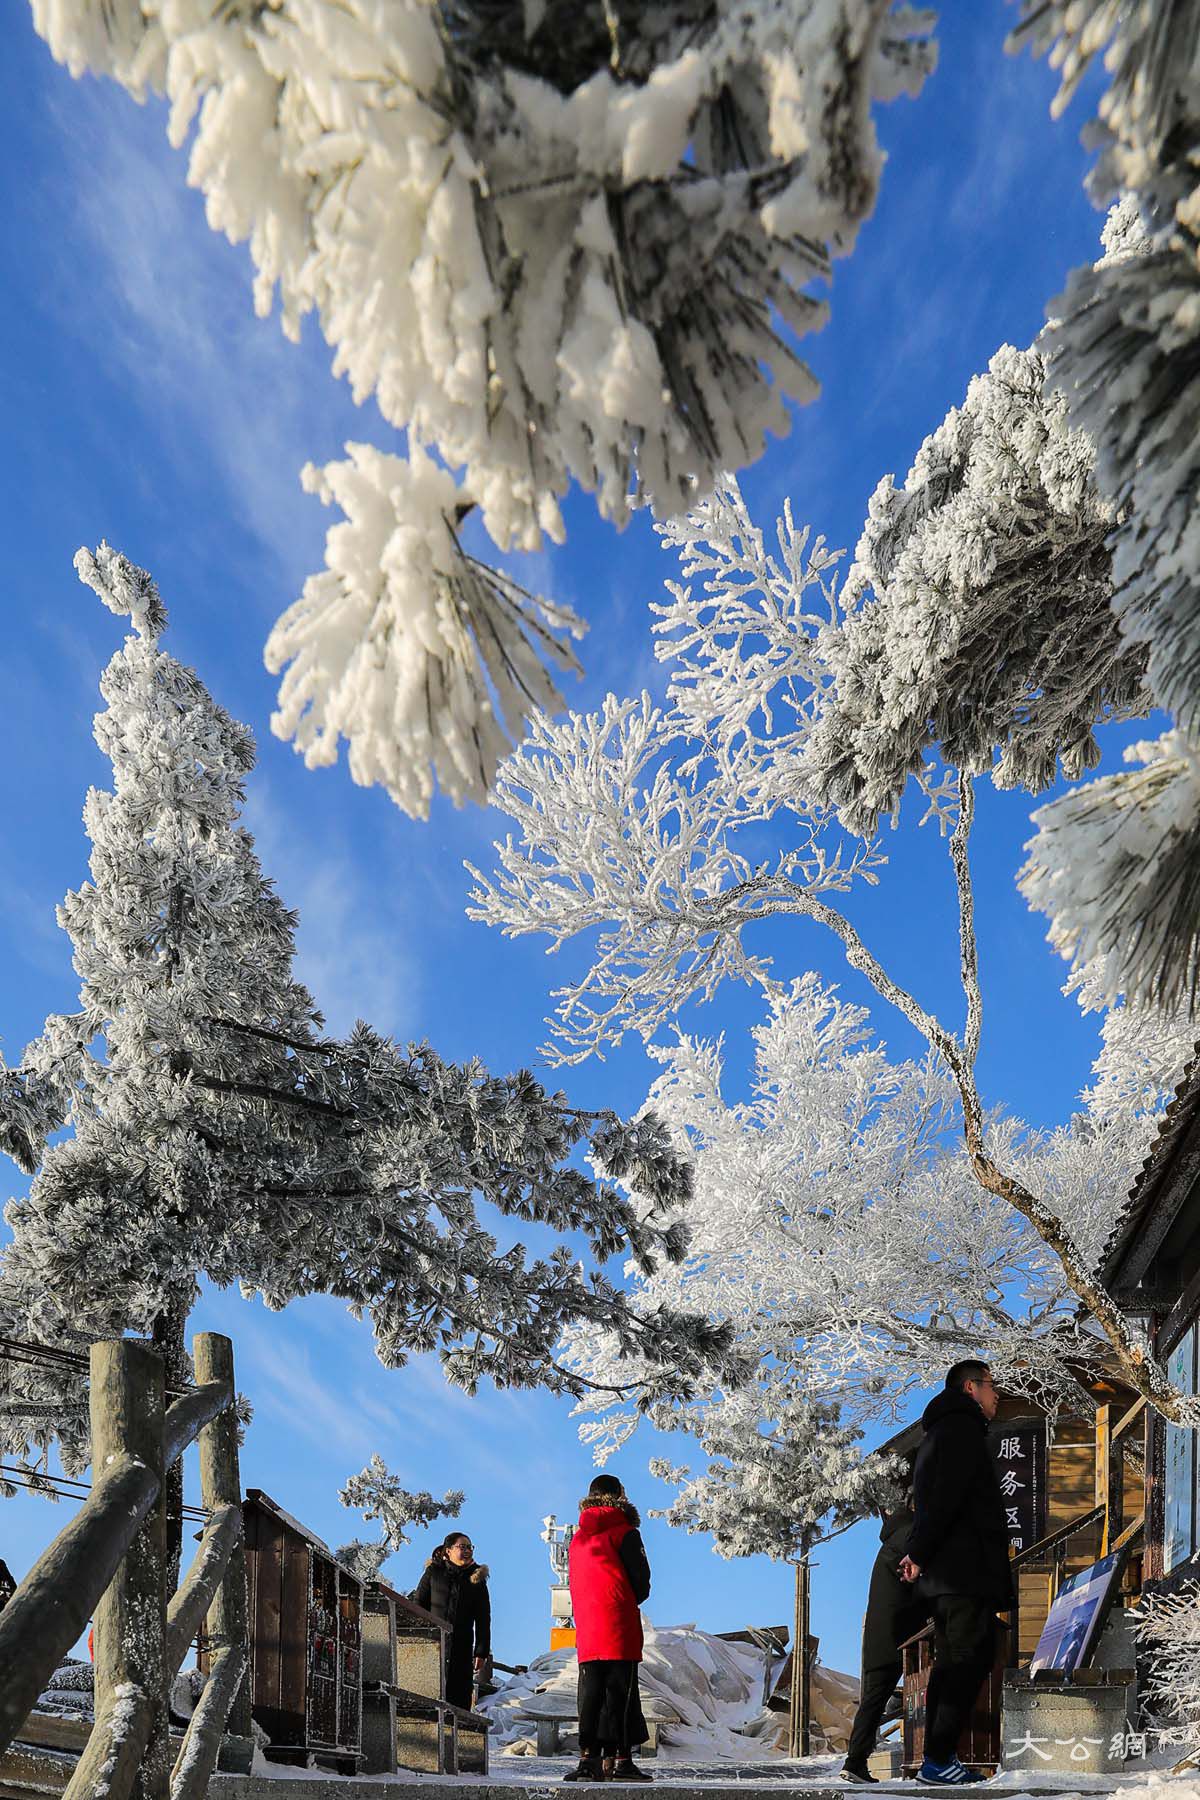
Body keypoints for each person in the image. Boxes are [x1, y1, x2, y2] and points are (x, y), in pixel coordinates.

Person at [898, 1360, 1014, 1787]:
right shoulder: (961, 1430)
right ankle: (938, 1758)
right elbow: (948, 1497)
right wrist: (919, 1552)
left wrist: (919, 1553)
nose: (996, 1394)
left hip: (949, 1573)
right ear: (970, 1388)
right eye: (991, 1386)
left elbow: (931, 1503)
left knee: (955, 1660)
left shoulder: (939, 1434)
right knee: (969, 1657)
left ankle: (938, 1757)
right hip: (963, 1571)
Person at [566, 1473, 652, 1784]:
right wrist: (625, 1599)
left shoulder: (578, 1538)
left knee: (590, 1694)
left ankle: (588, 1760)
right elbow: (641, 1582)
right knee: (621, 1694)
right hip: (618, 1623)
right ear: (617, 1496)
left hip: (588, 1625)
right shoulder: (625, 1532)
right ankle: (622, 1761)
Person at [840, 1494, 927, 1785]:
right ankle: (857, 1762)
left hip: (879, 1635)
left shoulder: (891, 1540)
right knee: (887, 1699)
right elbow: (918, 1582)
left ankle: (855, 1762)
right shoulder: (909, 1536)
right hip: (899, 1635)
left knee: (873, 1701)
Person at [414, 1530, 491, 1711]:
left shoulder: (476, 1579)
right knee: (431, 1693)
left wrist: (481, 1652)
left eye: (470, 1547)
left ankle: (457, 1726)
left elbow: (483, 1618)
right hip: (433, 1644)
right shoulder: (434, 1572)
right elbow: (418, 1605)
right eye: (462, 1547)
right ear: (448, 1550)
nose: (467, 1551)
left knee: (459, 1696)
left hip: (461, 1645)